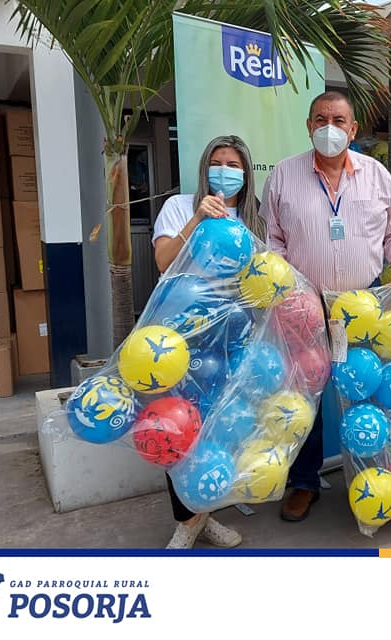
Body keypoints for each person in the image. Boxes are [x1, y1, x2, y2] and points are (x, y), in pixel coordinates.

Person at [262, 90, 391, 522]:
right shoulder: (283, 174)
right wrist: (285, 289)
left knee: (366, 391)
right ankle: (304, 482)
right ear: (308, 126)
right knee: (305, 395)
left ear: (353, 129)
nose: (328, 128)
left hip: (366, 305)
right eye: (320, 119)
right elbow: (274, 239)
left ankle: (375, 475)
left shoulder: (376, 175)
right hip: (304, 305)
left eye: (338, 121)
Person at [151, 134, 261, 549]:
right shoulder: (180, 206)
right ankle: (186, 521)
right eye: (217, 162)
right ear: (204, 168)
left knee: (219, 430)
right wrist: (197, 219)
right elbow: (163, 262)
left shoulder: (253, 220)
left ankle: (205, 515)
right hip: (182, 337)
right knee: (177, 425)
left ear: (246, 173)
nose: (224, 171)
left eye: (234, 165)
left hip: (233, 338)